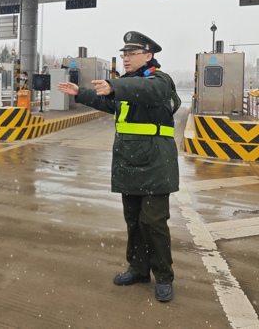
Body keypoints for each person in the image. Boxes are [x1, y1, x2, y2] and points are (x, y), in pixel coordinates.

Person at [57, 31, 181, 303]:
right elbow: (112, 105)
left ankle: (163, 276)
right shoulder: (128, 85)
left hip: (156, 161)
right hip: (129, 159)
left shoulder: (159, 80)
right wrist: (81, 93)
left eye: (132, 54)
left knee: (154, 222)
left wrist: (115, 86)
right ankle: (138, 269)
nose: (126, 58)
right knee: (133, 220)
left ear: (148, 56)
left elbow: (150, 91)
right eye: (124, 54)